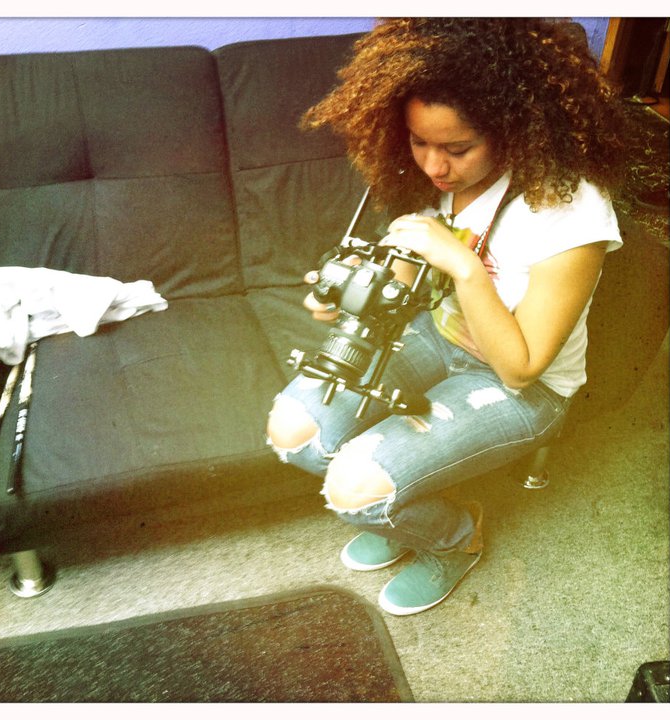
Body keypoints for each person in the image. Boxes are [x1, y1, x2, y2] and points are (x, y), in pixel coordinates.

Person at [266, 18, 630, 616]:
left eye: (458, 149)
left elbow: (521, 368)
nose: (435, 166)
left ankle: (457, 537)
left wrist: (464, 267)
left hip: (522, 386)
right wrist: (353, 292)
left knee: (355, 489)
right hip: (439, 339)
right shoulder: (433, 178)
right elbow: (410, 280)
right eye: (418, 142)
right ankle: (402, 505)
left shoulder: (572, 209)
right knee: (294, 432)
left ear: (514, 131)